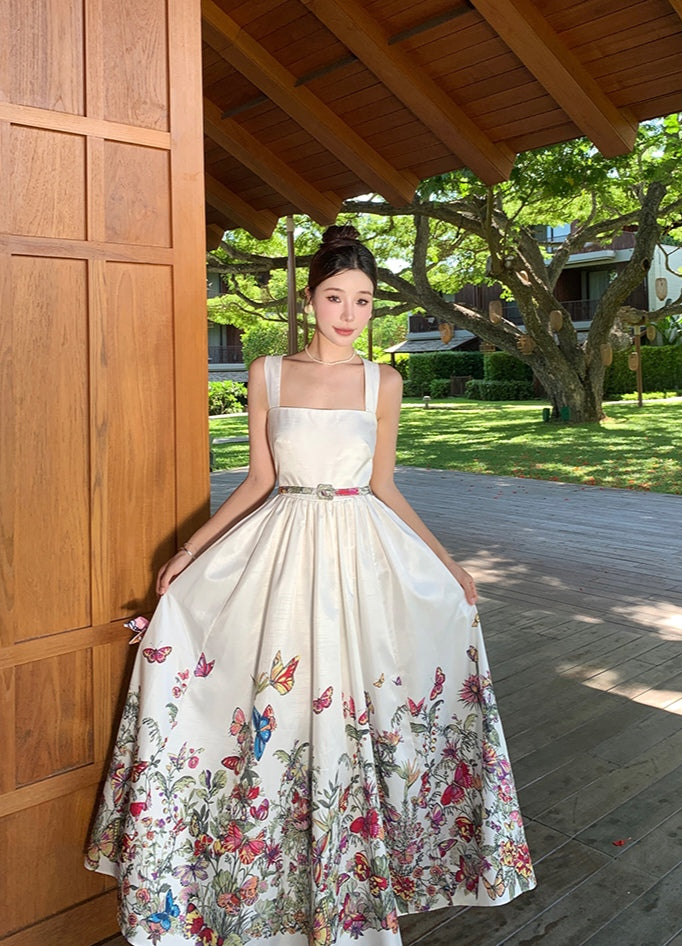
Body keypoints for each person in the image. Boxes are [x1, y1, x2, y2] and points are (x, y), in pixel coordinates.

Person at [86, 225, 535, 945]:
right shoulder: (266, 371)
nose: (349, 314)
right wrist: (190, 549)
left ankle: (360, 879)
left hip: (363, 550)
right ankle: (256, 883)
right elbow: (259, 481)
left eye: (362, 300)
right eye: (335, 297)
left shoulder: (381, 381)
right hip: (283, 544)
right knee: (274, 699)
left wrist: (447, 564)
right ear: (311, 299)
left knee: (366, 697)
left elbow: (383, 484)